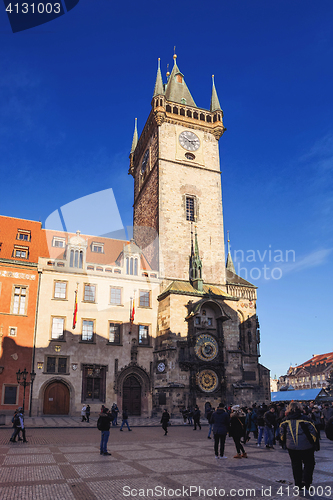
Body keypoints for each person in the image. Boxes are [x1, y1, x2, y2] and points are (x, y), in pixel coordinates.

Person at [280, 402, 317, 491]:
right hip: (306, 446)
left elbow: (281, 435)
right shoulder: (306, 419)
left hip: (291, 447)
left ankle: (298, 484)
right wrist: (313, 443)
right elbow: (314, 433)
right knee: (309, 463)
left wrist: (285, 443)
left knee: (296, 465)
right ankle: (306, 481)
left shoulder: (285, 420)